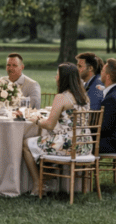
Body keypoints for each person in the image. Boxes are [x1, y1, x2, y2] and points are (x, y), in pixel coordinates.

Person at [20, 62, 89, 196]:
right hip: (84, 144)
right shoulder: (84, 96)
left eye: (57, 74)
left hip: (68, 145)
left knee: (25, 144)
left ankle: (38, 184)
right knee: (45, 140)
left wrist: (34, 119)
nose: (55, 77)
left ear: (63, 78)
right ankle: (48, 177)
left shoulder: (61, 97)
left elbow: (50, 125)